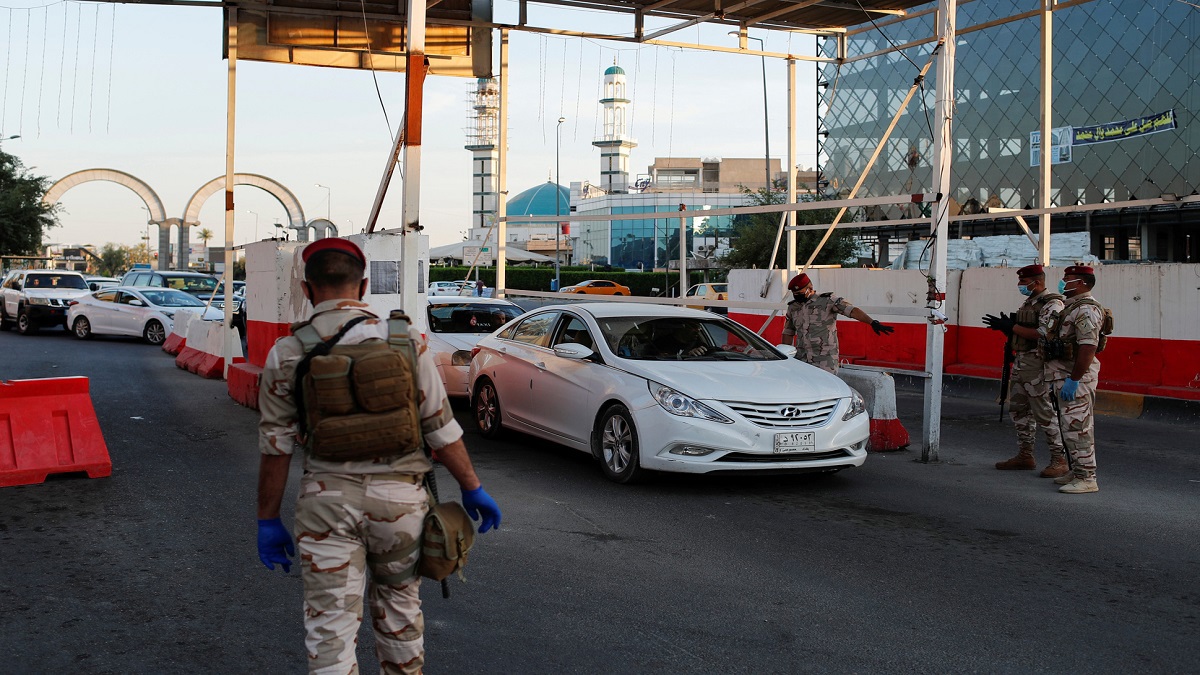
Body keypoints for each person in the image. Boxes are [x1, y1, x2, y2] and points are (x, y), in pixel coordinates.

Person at [255, 237, 502, 673]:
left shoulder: (288, 352)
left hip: (326, 505)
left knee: (329, 630)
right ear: (365, 285)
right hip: (401, 504)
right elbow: (441, 431)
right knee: (400, 617)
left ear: (307, 289)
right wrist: (473, 488)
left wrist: (267, 519)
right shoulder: (406, 342)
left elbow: (275, 446)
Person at [982, 264, 1068, 477]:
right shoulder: (1030, 302)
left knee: (1044, 411)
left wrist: (1010, 327)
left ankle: (1059, 459)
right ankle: (1025, 455)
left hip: (1038, 363)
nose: (1020, 285)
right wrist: (1008, 330)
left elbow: (1042, 333)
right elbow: (1023, 331)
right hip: (1022, 362)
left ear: (1036, 282)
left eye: (1023, 282)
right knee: (1019, 410)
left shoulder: (1052, 304)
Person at [1045, 265, 1105, 494]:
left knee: (1078, 428)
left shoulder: (1086, 310)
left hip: (1075, 379)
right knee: (1068, 426)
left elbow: (1088, 347)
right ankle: (1077, 470)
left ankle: (1087, 477)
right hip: (1064, 376)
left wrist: (1074, 380)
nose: (1062, 282)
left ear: (1080, 283)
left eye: (1067, 279)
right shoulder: (1071, 308)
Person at [780, 272, 894, 373]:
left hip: (824, 359)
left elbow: (852, 311)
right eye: (794, 293)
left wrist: (872, 322)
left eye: (800, 292)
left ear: (810, 288)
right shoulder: (793, 307)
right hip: (802, 358)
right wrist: (785, 354)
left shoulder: (827, 300)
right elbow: (788, 332)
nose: (797, 296)